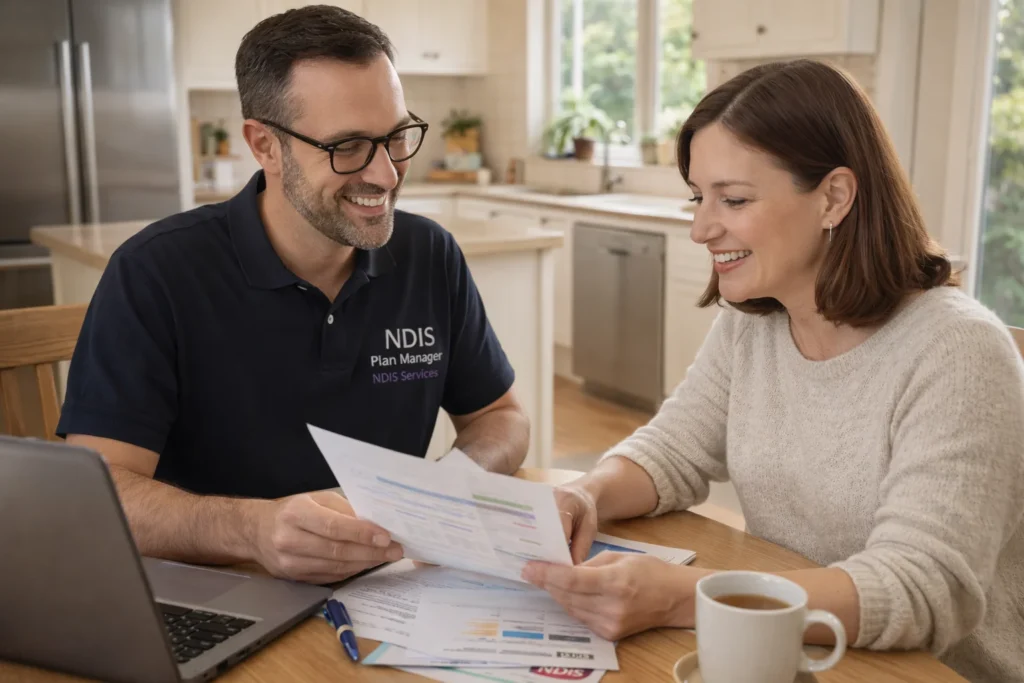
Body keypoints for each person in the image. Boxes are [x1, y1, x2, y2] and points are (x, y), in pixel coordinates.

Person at [521, 59, 1024, 683]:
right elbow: (673, 450)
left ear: (834, 197)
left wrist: (685, 595)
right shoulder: (755, 323)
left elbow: (923, 587)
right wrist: (586, 493)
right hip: (783, 655)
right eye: (698, 198)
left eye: (732, 199)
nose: (702, 228)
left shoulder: (958, 352)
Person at [57, 6, 529, 586]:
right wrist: (251, 530)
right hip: (221, 592)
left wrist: (444, 490)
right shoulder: (156, 272)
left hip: (388, 587)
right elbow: (99, 491)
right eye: (349, 146)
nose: (386, 174)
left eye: (397, 136)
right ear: (265, 146)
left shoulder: (430, 255)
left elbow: (501, 418)